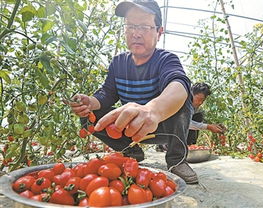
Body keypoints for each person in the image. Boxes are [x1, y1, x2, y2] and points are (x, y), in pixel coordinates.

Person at [69, 0, 198, 184]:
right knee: (88, 116)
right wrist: (90, 102)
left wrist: (152, 111)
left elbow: (178, 84)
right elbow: (107, 93)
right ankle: (130, 151)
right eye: (130, 26)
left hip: (162, 129)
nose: (136, 33)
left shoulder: (165, 60)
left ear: (159, 32)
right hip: (129, 129)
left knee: (183, 101)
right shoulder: (118, 63)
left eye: (144, 27)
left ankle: (176, 160)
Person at [156, 82, 226, 151]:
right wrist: (208, 127)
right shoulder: (181, 101)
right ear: (191, 94)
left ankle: (189, 145)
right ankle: (165, 144)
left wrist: (215, 126)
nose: (200, 102)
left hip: (180, 128)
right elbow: (183, 122)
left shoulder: (196, 109)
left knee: (199, 116)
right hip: (166, 130)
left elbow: (198, 123)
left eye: (203, 100)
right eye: (199, 99)